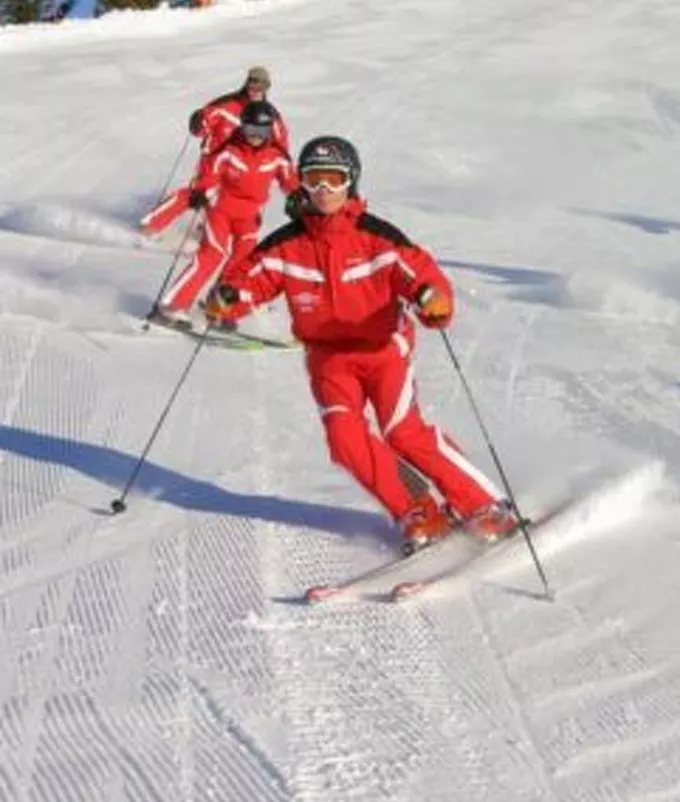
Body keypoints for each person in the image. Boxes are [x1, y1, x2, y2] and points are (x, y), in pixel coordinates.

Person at [204, 135, 518, 554]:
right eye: (314, 180)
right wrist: (227, 299)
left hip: (383, 350)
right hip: (329, 360)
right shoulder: (286, 244)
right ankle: (418, 510)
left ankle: (484, 504)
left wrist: (433, 301)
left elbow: (420, 274)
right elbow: (249, 281)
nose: (323, 191)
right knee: (345, 441)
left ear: (351, 181)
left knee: (402, 432)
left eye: (333, 180)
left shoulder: (378, 238)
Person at [147, 100, 297, 329]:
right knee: (212, 255)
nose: (255, 136)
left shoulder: (276, 156)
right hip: (221, 211)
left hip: (249, 216)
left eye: (262, 131)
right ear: (242, 127)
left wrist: (300, 199)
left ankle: (217, 307)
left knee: (243, 264)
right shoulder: (229, 150)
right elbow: (210, 173)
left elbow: (290, 182)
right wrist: (203, 192)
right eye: (251, 130)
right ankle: (172, 307)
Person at [140, 66, 292, 238]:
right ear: (246, 83)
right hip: (213, 163)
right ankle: (151, 225)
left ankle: (206, 234)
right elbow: (201, 127)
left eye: (262, 86)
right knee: (195, 196)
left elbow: (280, 144)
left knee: (228, 206)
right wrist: (197, 122)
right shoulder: (225, 105)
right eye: (253, 83)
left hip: (244, 167)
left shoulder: (269, 115)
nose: (256, 89)